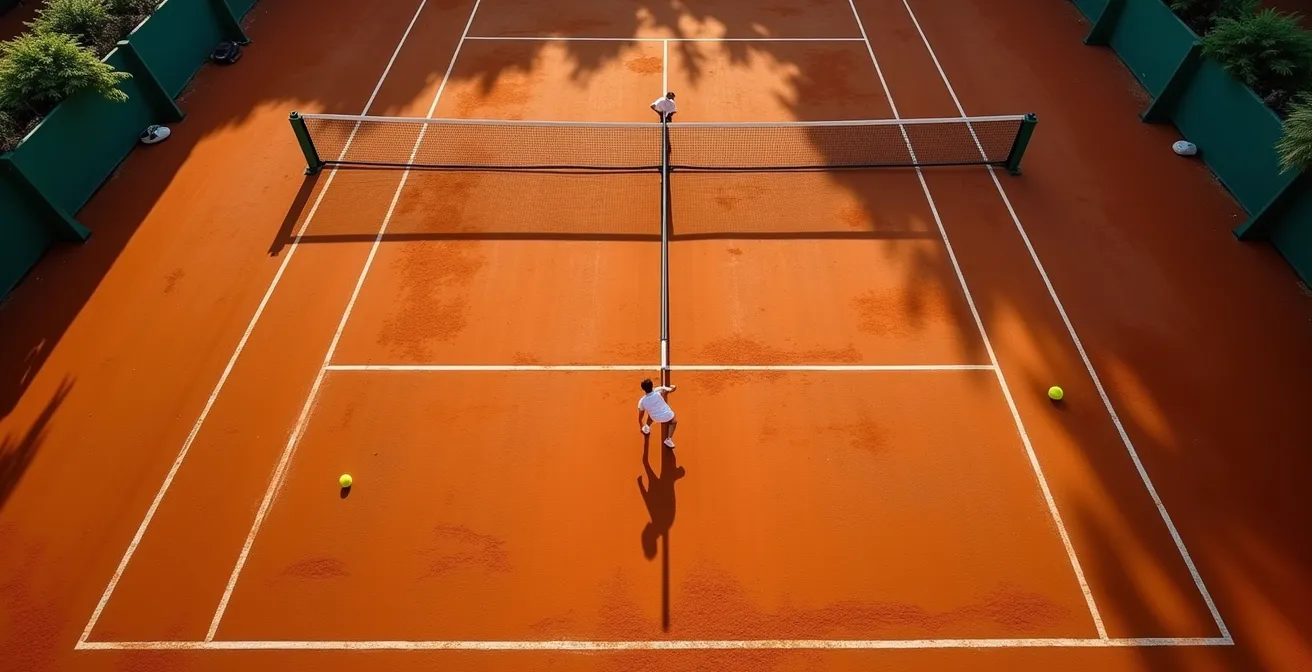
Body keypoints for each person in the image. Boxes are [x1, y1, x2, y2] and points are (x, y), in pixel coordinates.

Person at [637, 378, 678, 448]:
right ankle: (668, 439)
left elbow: (641, 414)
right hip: (668, 416)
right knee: (674, 421)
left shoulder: (642, 401)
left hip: (655, 418)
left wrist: (641, 424)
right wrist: (673, 387)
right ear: (652, 386)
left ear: (643, 389)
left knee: (650, 415)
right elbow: (672, 389)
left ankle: (646, 429)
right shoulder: (658, 390)